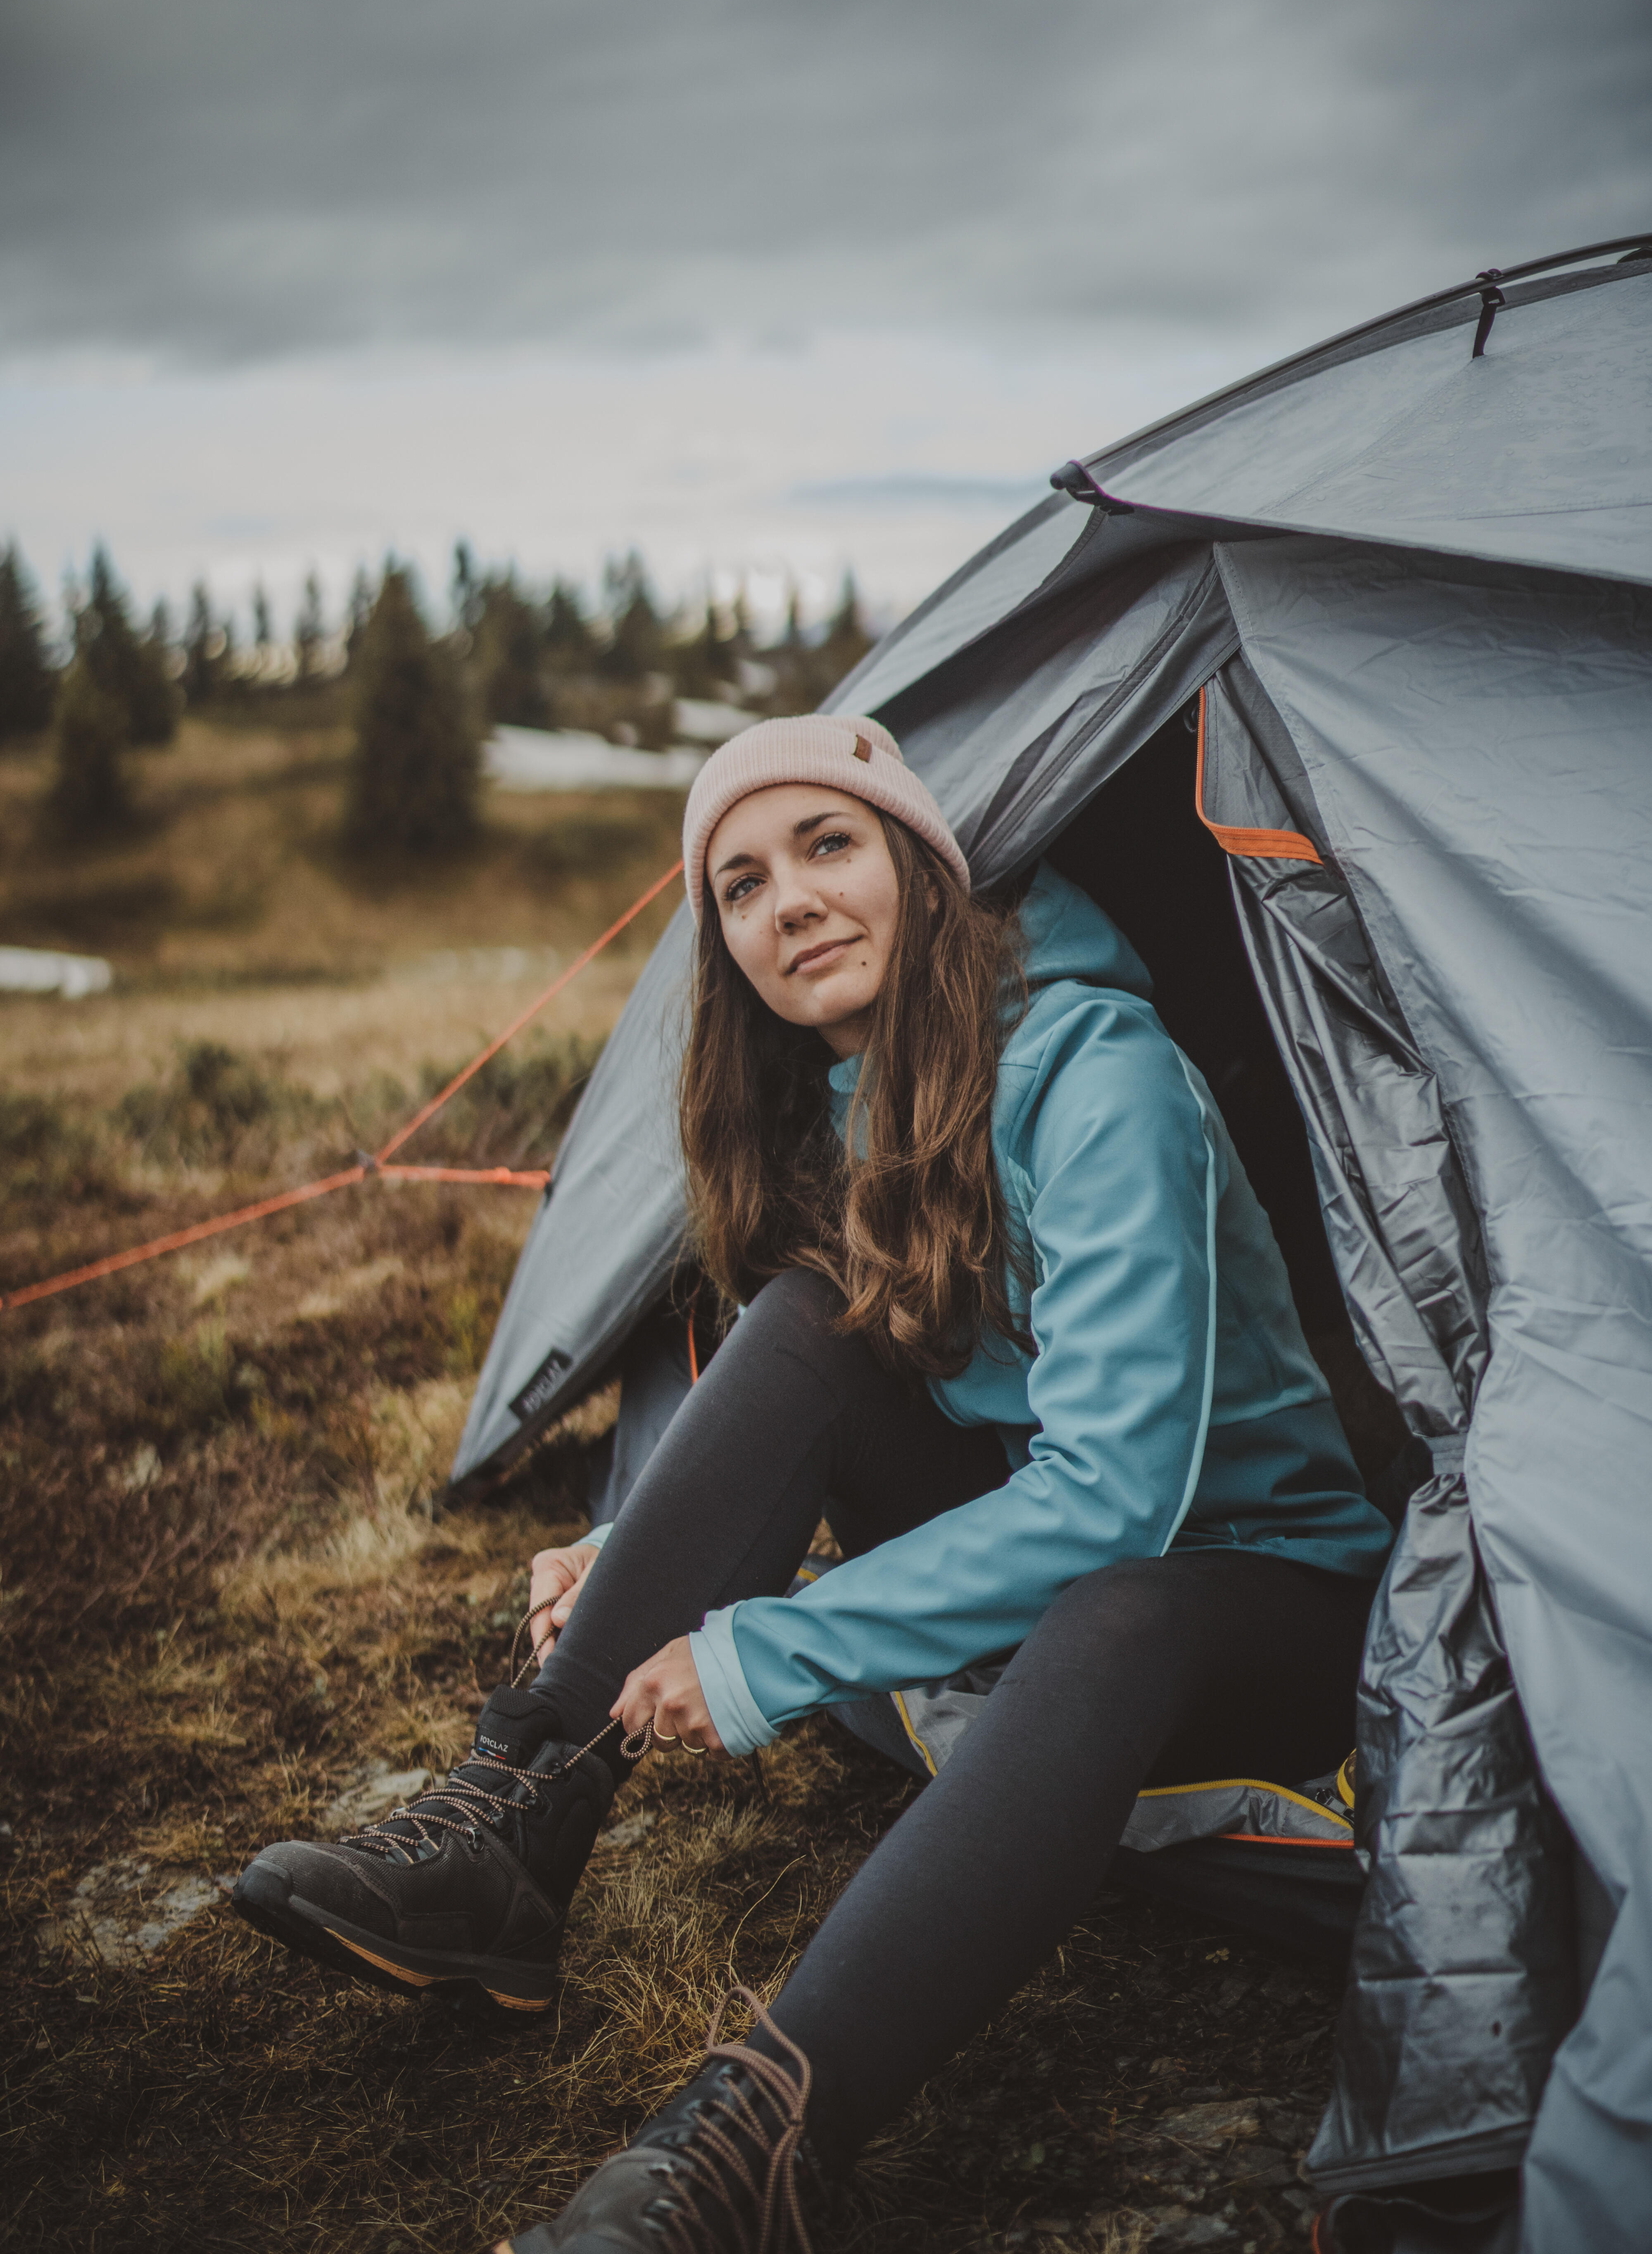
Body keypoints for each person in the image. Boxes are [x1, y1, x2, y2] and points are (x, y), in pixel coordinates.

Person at [233, 714, 1393, 2254]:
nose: (786, 901)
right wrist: (642, 1547)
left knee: (1119, 1609)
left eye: (828, 847)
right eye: (740, 885)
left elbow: (1115, 1495)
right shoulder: (834, 1111)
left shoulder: (1101, 1074)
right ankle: (508, 1837)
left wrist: (765, 1648)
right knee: (802, 1325)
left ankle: (756, 2146)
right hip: (1057, 1574)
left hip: (1264, 1599)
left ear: (923, 867)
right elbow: (879, 1399)